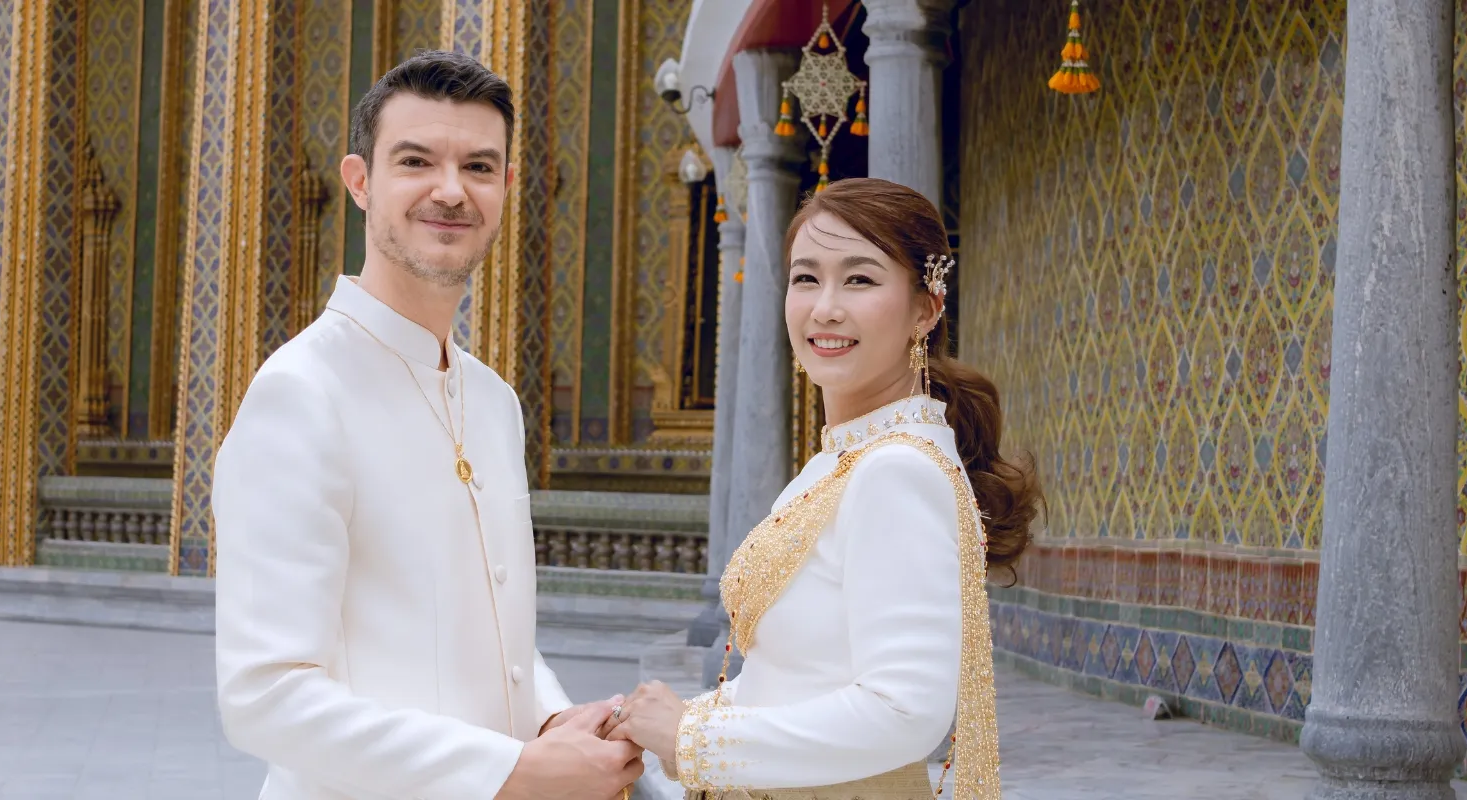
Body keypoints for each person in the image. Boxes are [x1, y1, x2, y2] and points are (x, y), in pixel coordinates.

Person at [212, 51, 643, 800]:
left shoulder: (493, 400)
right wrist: (509, 771)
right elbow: (264, 696)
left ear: (507, 188)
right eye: (416, 161)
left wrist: (548, 724)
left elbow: (492, 636)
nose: (450, 191)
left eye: (479, 167)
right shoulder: (302, 393)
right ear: (360, 181)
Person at [602, 178, 1044, 798]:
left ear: (927, 308)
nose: (825, 307)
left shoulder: (895, 472)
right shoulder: (842, 461)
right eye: (806, 278)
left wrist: (693, 739)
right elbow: (797, 678)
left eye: (859, 280)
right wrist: (665, 722)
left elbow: (905, 711)